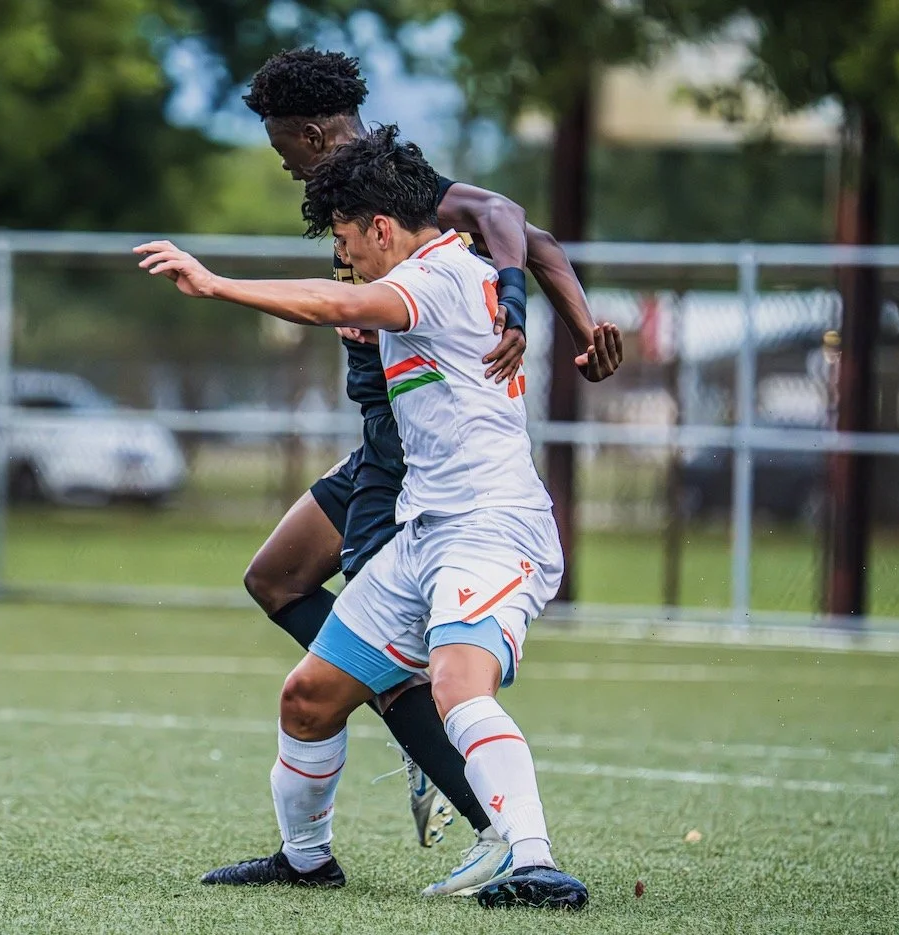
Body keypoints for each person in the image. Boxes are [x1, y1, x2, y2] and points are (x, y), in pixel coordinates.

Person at [135, 125, 591, 911]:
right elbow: (379, 310)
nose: (344, 256)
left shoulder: (438, 274)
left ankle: (535, 860)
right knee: (308, 697)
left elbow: (344, 297)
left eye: (347, 239)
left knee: (455, 682)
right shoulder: (434, 274)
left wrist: (217, 284)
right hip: (425, 531)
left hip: (490, 529)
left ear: (383, 228)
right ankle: (307, 860)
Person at [235, 48, 623, 896]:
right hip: (388, 442)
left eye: (281, 148)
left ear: (309, 133)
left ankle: (500, 829)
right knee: (276, 581)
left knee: (436, 672)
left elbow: (521, 225)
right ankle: (326, 818)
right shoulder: (352, 208)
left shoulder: (416, 202)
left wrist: (534, 312)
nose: (284, 164)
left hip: (434, 472)